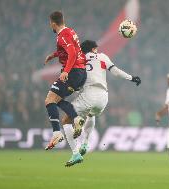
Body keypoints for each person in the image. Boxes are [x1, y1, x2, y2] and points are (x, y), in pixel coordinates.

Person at [61, 40, 141, 167]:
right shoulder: (102, 57)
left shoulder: (78, 60)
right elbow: (115, 71)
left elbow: (73, 81)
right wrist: (131, 78)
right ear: (93, 49)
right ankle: (86, 143)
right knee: (91, 115)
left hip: (88, 94)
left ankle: (76, 152)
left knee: (65, 120)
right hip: (103, 97)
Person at [44, 11, 87, 150]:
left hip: (72, 72)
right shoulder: (70, 31)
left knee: (49, 100)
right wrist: (54, 55)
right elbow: (71, 49)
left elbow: (73, 53)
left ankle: (57, 133)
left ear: (53, 23)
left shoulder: (62, 36)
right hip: (81, 73)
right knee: (56, 99)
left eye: (50, 23)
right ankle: (76, 118)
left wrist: (66, 72)